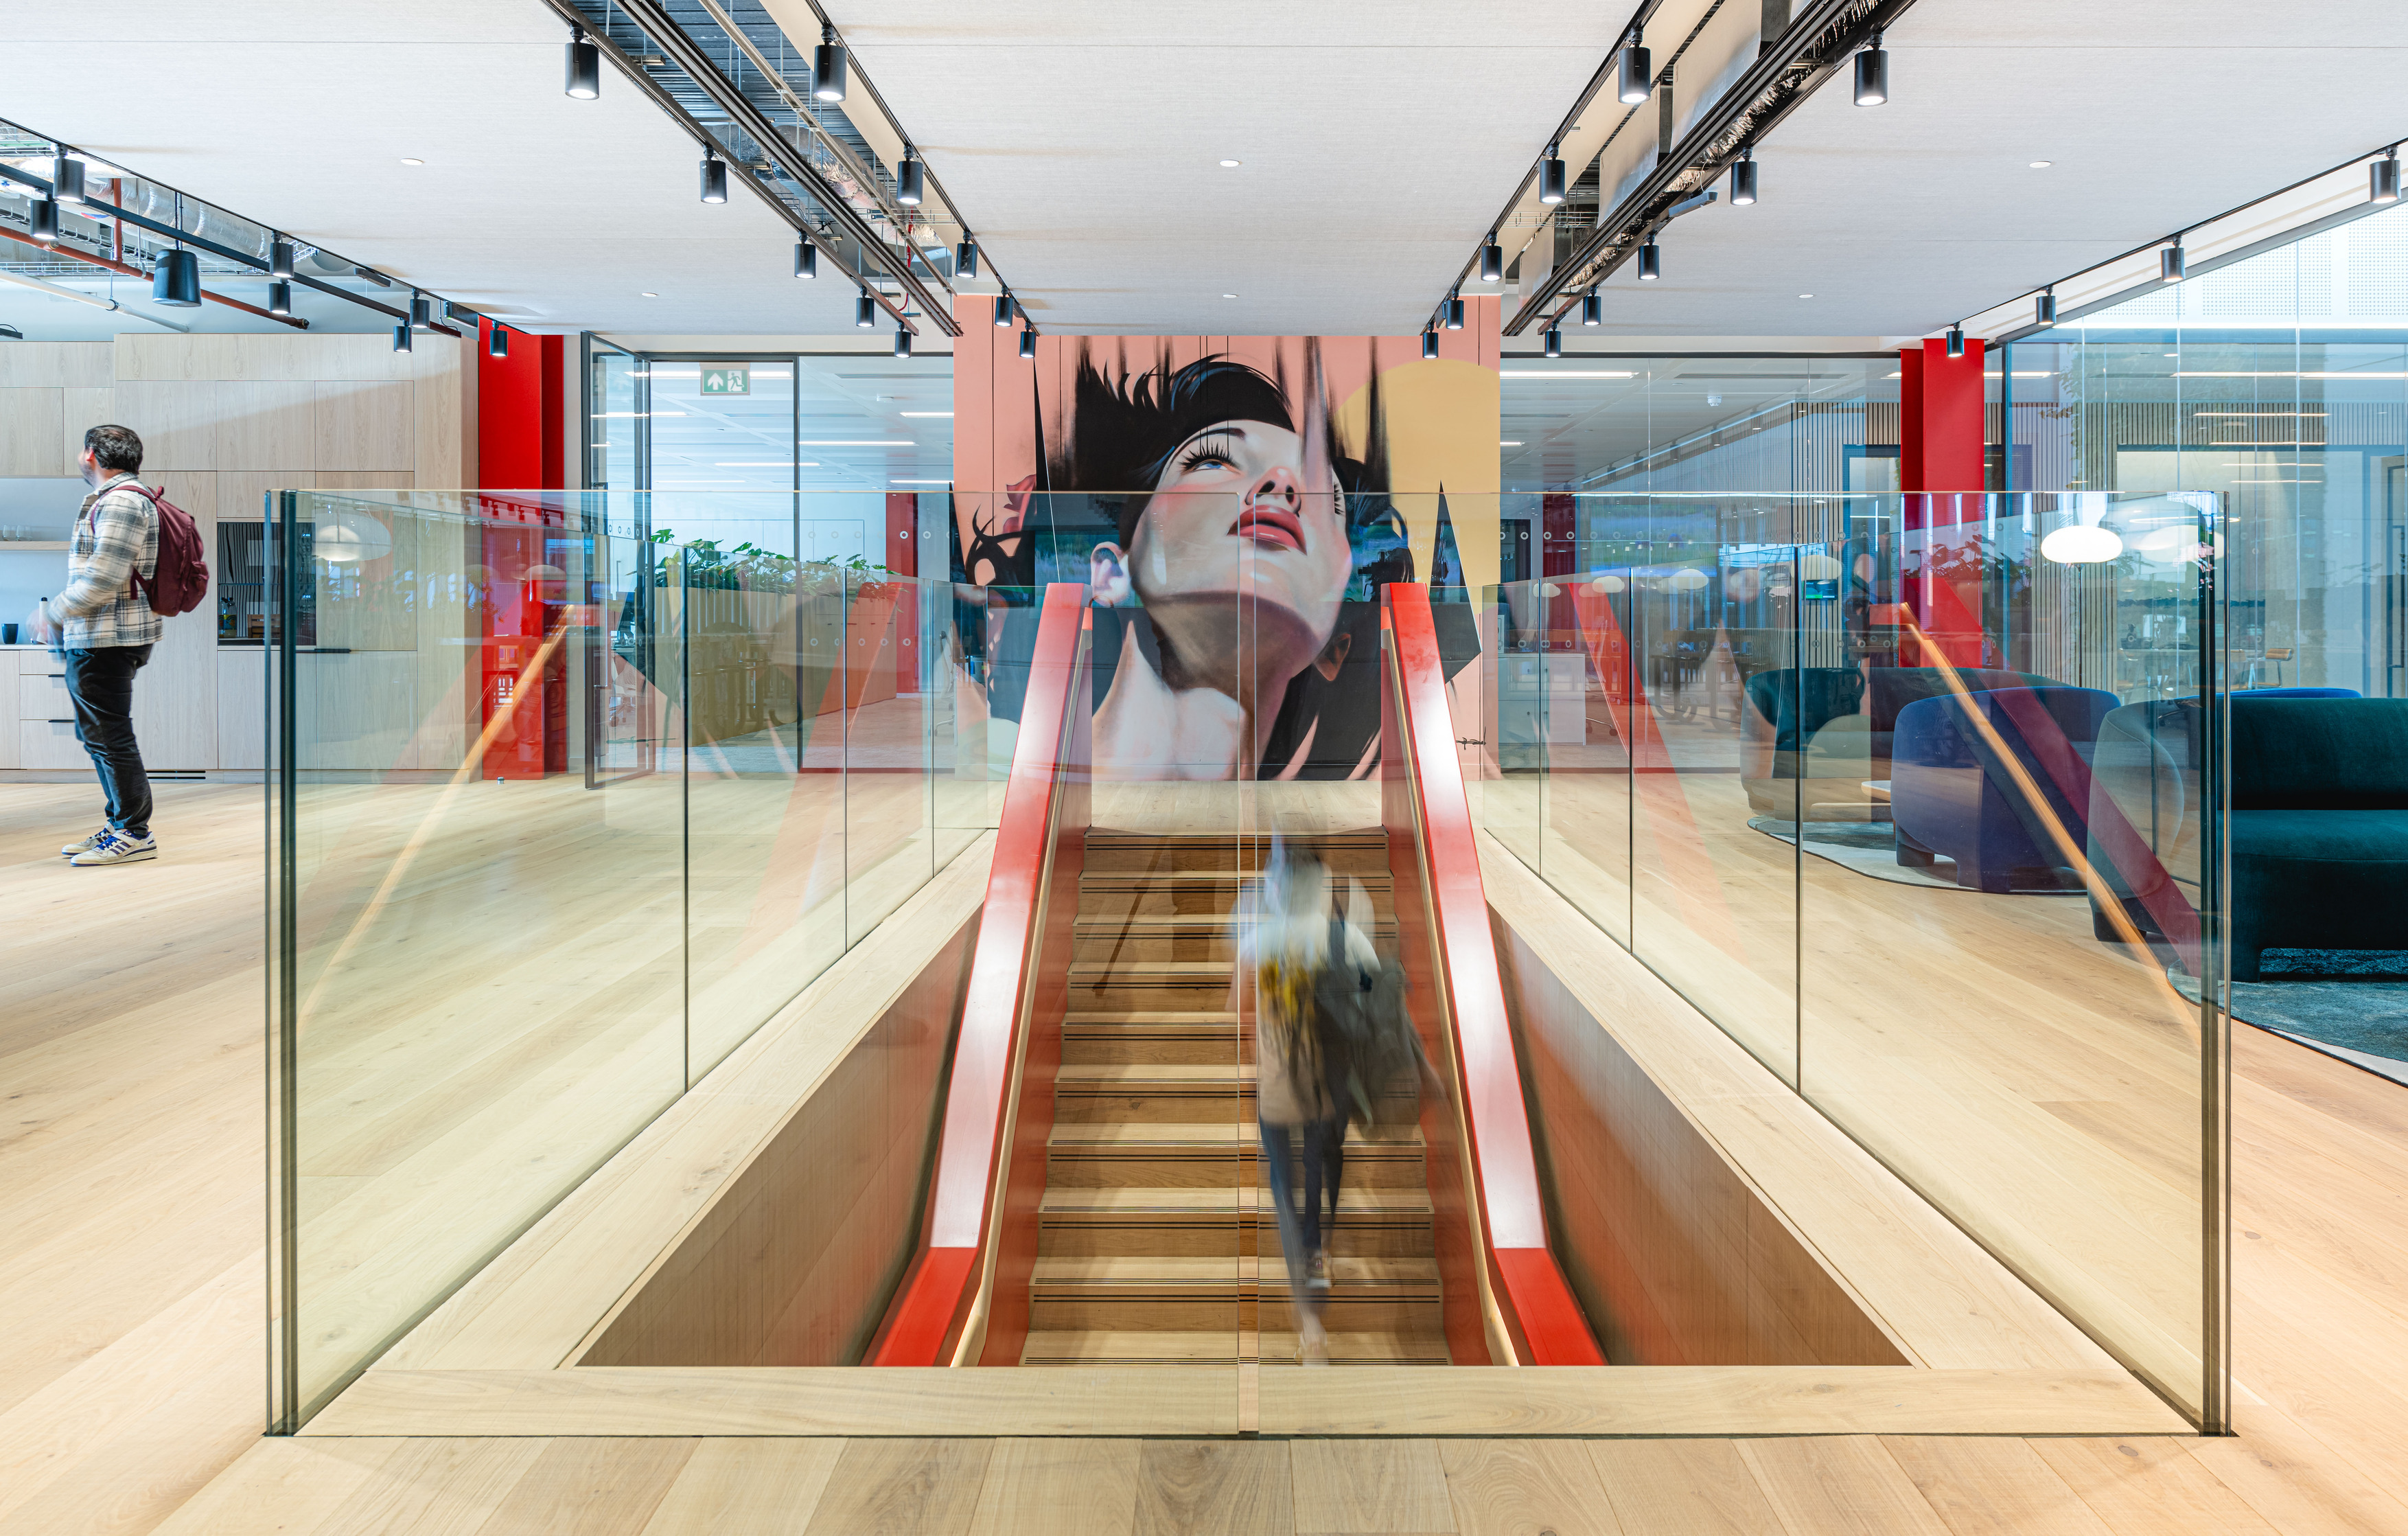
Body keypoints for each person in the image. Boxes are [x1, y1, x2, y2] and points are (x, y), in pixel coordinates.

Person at [1230, 839, 1376, 1366]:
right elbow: (1374, 993)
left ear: (1278, 884)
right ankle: (1318, 1265)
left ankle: (1310, 1325)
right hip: (1326, 1090)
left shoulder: (1259, 939)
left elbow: (1237, 1008)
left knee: (1285, 1189)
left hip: (1276, 1089)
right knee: (1319, 1182)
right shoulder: (1344, 936)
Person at [28, 425, 162, 866]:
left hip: (108, 637)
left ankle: (134, 833)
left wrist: (52, 613)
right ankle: (120, 823)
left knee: (110, 736)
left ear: (90, 454)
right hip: (102, 634)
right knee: (100, 735)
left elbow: (105, 577)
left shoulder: (121, 501)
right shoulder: (118, 498)